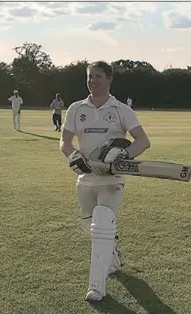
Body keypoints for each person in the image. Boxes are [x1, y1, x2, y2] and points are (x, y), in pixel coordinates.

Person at [60, 61, 150, 302]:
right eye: (90, 77)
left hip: (112, 179)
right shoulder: (76, 108)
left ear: (110, 79)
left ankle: (96, 288)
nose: (93, 81)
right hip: (85, 179)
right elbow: (65, 142)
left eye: (99, 76)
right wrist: (73, 156)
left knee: (101, 222)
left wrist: (122, 156)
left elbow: (142, 141)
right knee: (94, 228)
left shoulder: (121, 109)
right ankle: (113, 252)